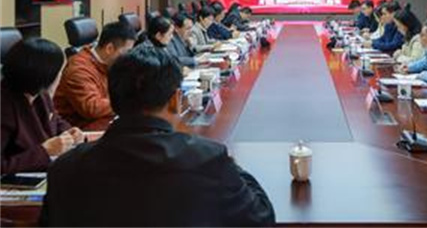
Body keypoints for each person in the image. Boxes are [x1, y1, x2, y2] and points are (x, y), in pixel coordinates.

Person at [40, 46, 276, 227]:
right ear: (175, 99)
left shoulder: (65, 168)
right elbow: (261, 217)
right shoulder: (207, 160)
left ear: (113, 97)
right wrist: (233, 166)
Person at [1, 38, 84, 175]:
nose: (61, 76)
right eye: (60, 71)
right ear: (45, 76)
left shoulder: (39, 93)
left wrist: (69, 132)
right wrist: (44, 151)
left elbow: (55, 120)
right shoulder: (4, 106)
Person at [54, 21, 136, 129]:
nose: (129, 57)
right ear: (109, 49)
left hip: (100, 120)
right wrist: (130, 102)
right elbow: (92, 108)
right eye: (127, 52)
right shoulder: (79, 69)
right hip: (77, 129)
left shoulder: (108, 62)